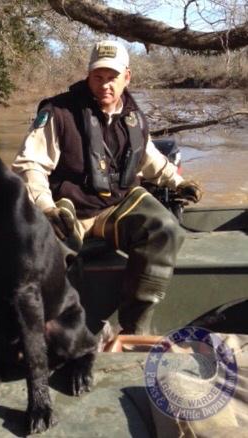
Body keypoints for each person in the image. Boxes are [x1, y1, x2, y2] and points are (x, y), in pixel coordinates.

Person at [12, 40, 203, 335]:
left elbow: (147, 156)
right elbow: (30, 165)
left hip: (116, 206)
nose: (104, 86)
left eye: (112, 78)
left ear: (127, 77)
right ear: (88, 76)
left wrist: (177, 182)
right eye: (97, 77)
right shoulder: (58, 112)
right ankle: (58, 332)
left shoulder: (134, 116)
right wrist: (45, 207)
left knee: (164, 229)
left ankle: (134, 327)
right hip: (67, 205)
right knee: (46, 250)